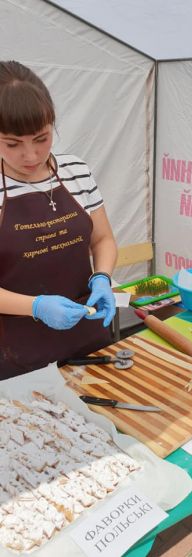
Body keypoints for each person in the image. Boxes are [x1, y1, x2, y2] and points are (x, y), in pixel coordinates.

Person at [0, 60, 117, 379]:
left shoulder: (76, 171)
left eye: (41, 138)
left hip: (88, 340)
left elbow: (103, 239)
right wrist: (36, 306)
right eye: (12, 144)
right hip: (18, 354)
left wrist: (102, 277)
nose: (31, 156)